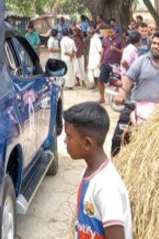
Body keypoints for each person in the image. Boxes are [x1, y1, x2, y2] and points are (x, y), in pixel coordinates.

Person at [63, 102, 133, 239]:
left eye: (69, 136)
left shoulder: (107, 188)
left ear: (87, 144)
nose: (65, 141)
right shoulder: (89, 172)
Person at [111, 31, 159, 156]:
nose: (155, 46)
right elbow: (128, 79)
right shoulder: (141, 61)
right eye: (153, 43)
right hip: (134, 108)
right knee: (118, 139)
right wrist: (121, 93)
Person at [98, 25, 124, 104]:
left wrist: (115, 49)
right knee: (101, 80)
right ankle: (102, 98)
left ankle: (117, 99)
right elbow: (103, 51)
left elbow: (123, 52)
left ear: (115, 31)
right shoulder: (105, 40)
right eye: (108, 32)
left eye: (111, 32)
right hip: (105, 63)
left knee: (116, 82)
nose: (110, 33)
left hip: (116, 65)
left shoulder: (120, 40)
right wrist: (100, 61)